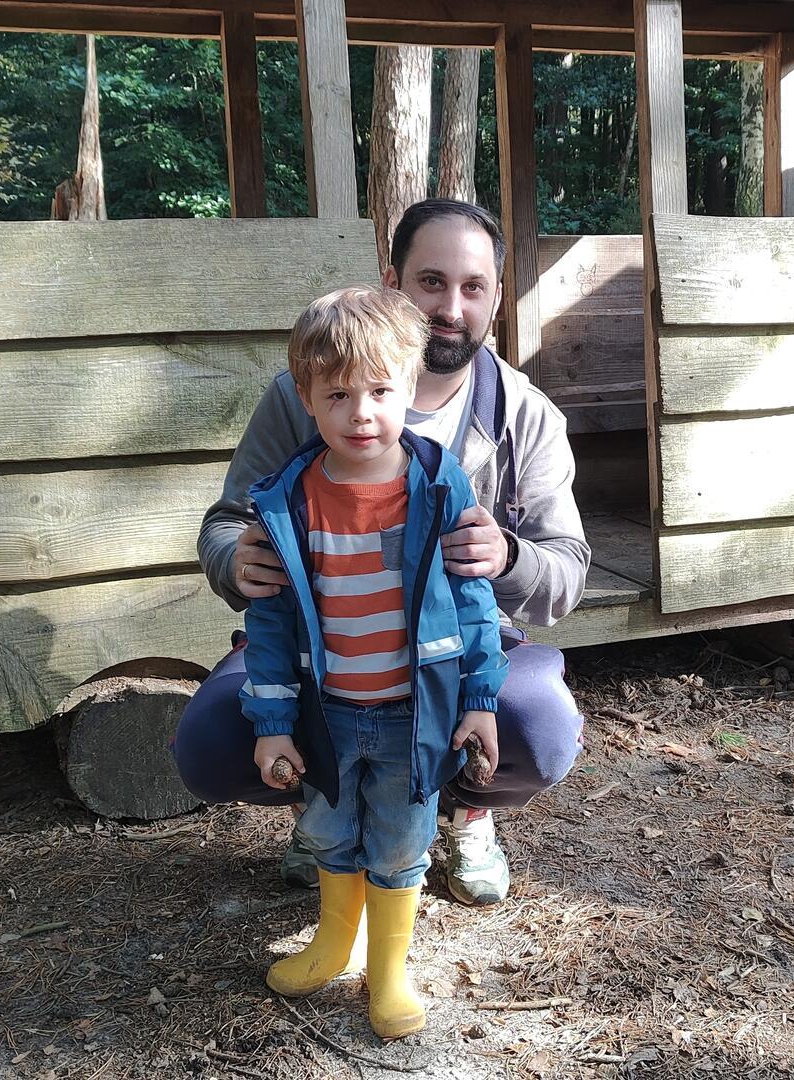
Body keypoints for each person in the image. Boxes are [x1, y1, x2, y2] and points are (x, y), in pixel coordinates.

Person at [173, 198, 589, 906]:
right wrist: (233, 559)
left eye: (473, 287)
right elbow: (227, 520)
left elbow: (566, 570)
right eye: (431, 281)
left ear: (494, 297)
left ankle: (463, 813)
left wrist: (508, 555)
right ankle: (331, 808)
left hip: (456, 652)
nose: (450, 307)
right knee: (210, 740)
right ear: (393, 281)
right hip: (320, 645)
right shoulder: (300, 395)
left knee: (539, 722)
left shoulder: (526, 415)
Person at [242, 285, 506, 1038]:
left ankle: (388, 970)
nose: (362, 413)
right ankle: (333, 945)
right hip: (327, 712)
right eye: (338, 395)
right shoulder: (288, 500)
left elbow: (475, 600)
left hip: (411, 711)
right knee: (327, 831)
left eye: (382, 391)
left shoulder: (436, 483)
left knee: (400, 839)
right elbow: (269, 620)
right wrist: (272, 722)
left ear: (410, 385)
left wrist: (480, 698)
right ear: (306, 398)